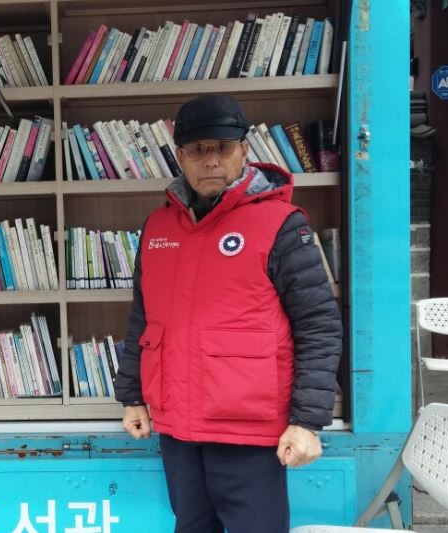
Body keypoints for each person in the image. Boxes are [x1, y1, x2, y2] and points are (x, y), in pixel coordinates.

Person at [114, 94, 342, 533]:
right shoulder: (158, 227)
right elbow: (143, 319)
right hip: (178, 428)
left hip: (249, 432)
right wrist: (132, 396)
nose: (211, 160)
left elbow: (319, 326)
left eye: (222, 146)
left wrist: (307, 421)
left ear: (244, 150)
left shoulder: (282, 224)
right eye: (197, 149)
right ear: (180, 156)